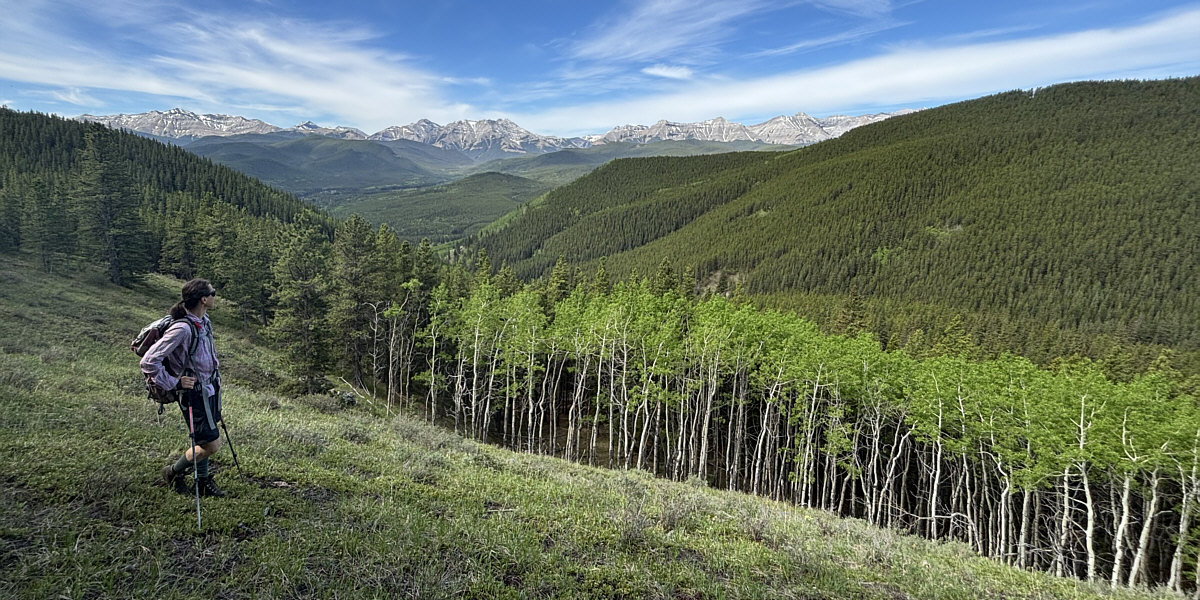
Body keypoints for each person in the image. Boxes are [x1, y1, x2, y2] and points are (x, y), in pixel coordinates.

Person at [141, 278, 227, 497]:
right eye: (213, 292)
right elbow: (149, 361)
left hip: (209, 388)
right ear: (204, 299)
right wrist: (174, 383)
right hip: (194, 393)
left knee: (205, 438)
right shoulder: (182, 329)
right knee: (210, 445)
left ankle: (202, 481)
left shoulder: (203, 321)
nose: (216, 296)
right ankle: (173, 472)